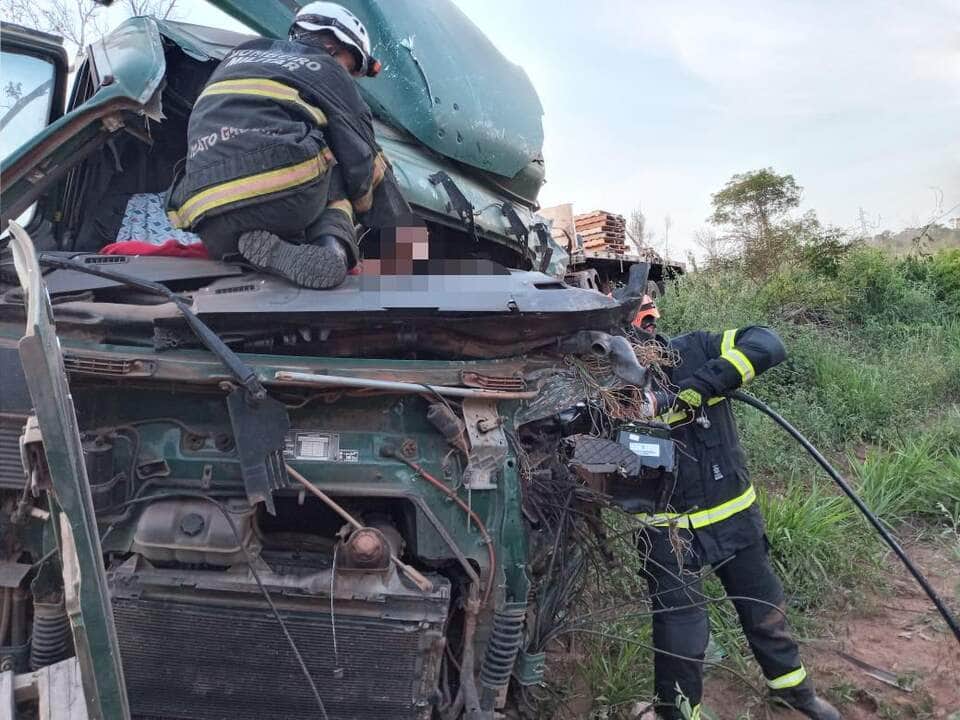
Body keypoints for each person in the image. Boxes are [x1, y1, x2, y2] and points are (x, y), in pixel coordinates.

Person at [638, 320, 841, 720]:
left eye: (647, 313)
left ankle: (792, 692)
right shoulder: (602, 382)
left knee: (765, 610)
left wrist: (705, 382)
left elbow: (769, 342)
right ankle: (679, 715)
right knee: (681, 636)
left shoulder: (697, 347)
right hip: (668, 530)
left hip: (734, 515)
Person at [166, 2, 409, 288]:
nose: (349, 75)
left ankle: (269, 253)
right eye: (351, 66)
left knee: (301, 157)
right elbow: (363, 162)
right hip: (280, 200)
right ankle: (331, 253)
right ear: (332, 46)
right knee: (338, 157)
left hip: (205, 215)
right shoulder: (326, 67)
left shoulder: (238, 56)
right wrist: (402, 239)